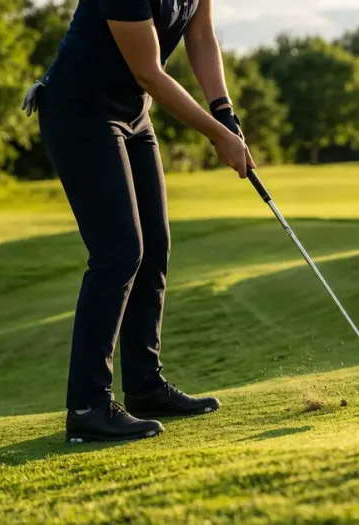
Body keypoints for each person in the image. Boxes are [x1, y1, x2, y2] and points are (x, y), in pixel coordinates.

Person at [21, 0, 254, 443]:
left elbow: (200, 35)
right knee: (118, 252)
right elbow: (149, 71)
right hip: (80, 110)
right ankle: (88, 407)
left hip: (132, 113)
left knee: (154, 247)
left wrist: (224, 111)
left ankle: (145, 387)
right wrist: (216, 135)